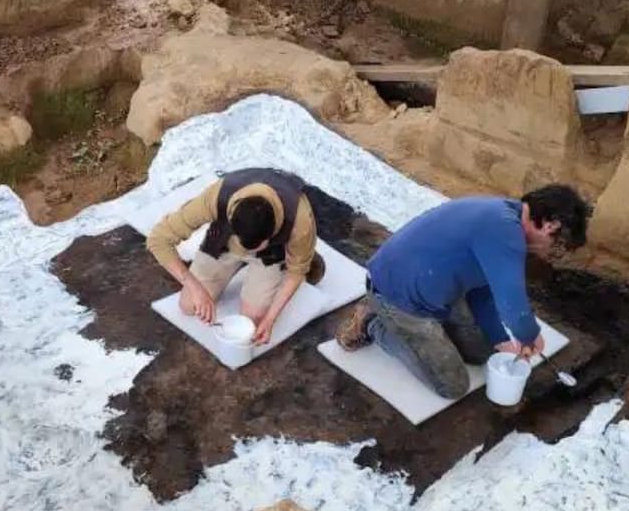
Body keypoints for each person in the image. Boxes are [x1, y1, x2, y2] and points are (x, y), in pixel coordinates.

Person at [336, 184, 591, 398]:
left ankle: (435, 333)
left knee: (483, 352)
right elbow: (512, 303)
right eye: (557, 245)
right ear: (550, 225)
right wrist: (528, 335)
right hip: (399, 293)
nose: (550, 253)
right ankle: (371, 322)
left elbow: (484, 291)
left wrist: (501, 339)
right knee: (452, 386)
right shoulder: (504, 230)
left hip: (433, 285)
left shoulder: (505, 220)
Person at [146, 168, 324, 345]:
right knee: (190, 305)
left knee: (252, 322)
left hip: (270, 254)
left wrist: (270, 320)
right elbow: (158, 240)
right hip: (225, 244)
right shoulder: (218, 196)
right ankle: (243, 257)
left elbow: (295, 272)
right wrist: (195, 287)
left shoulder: (299, 220)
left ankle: (303, 253)